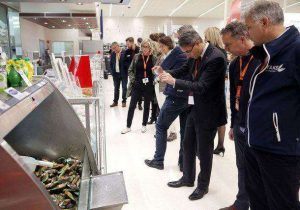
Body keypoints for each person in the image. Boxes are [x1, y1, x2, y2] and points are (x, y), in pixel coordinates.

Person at [156, 30, 227, 201]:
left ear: (197, 43)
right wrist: (165, 71)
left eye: (188, 51)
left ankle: (203, 186)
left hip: (209, 111)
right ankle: (188, 178)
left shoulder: (216, 57)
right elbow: (184, 69)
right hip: (194, 107)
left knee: (204, 151)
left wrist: (174, 82)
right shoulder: (194, 55)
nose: (187, 55)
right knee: (187, 144)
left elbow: (202, 86)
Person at [243, 1, 300, 209]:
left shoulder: (295, 49)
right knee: (258, 200)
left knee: (281, 204)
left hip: (280, 150)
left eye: (249, 27)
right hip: (256, 143)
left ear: (264, 22)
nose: (247, 33)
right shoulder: (264, 54)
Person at [219, 21, 261, 210]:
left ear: (242, 39)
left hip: (259, 127)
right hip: (240, 123)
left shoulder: (262, 60)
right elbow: (232, 96)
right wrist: (234, 124)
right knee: (242, 166)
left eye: (228, 44)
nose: (226, 49)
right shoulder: (235, 63)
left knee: (260, 170)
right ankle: (242, 202)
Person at [144, 35, 189, 171]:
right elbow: (174, 71)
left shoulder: (177, 54)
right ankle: (183, 162)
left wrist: (161, 71)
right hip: (185, 96)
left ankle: (158, 160)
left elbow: (172, 73)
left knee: (161, 126)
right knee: (184, 130)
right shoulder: (180, 54)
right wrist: (161, 71)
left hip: (177, 95)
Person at [121, 39, 157, 134]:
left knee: (146, 106)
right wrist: (133, 80)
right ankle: (128, 126)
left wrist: (154, 79)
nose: (145, 49)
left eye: (147, 47)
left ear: (150, 48)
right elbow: (130, 70)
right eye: (143, 47)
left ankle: (144, 125)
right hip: (137, 85)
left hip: (149, 86)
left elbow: (157, 72)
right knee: (132, 106)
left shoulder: (154, 58)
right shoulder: (137, 57)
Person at [204, 27, 228, 156]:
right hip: (221, 86)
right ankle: (220, 145)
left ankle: (214, 145)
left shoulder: (212, 53)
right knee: (221, 117)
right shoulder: (223, 52)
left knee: (215, 116)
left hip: (213, 89)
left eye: (205, 36)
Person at [147, 33, 166, 124]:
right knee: (156, 99)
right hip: (156, 80)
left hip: (161, 81)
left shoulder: (163, 56)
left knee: (161, 100)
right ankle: (156, 117)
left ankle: (159, 117)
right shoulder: (158, 55)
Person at [124, 37, 142, 110]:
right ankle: (133, 103)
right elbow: (124, 62)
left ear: (132, 42)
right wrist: (129, 66)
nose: (127, 45)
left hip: (140, 72)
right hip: (132, 73)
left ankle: (140, 104)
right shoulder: (127, 51)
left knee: (140, 88)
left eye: (128, 44)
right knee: (132, 88)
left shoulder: (139, 50)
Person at [109, 42, 127, 107]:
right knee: (116, 88)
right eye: (113, 49)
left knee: (124, 88)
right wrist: (112, 72)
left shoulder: (125, 52)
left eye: (114, 48)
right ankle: (115, 102)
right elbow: (111, 63)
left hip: (123, 74)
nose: (114, 50)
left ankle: (124, 101)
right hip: (115, 74)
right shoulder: (113, 53)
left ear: (118, 46)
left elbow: (128, 63)